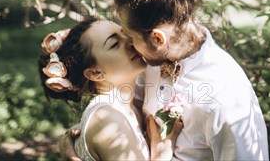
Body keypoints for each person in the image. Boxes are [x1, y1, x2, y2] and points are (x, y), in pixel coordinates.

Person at [60, 0, 269, 160]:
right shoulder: (149, 63)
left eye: (131, 37)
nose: (129, 45)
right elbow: (114, 107)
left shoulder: (226, 97)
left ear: (157, 38)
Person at [38, 18, 182, 161]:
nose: (131, 41)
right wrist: (161, 152)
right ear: (95, 73)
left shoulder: (130, 109)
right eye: (114, 44)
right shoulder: (108, 119)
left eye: (125, 33)